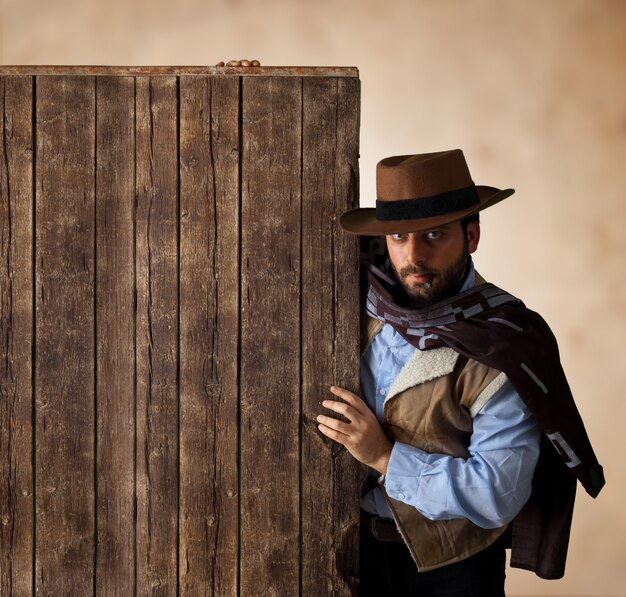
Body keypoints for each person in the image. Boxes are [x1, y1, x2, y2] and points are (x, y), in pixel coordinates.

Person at [316, 150, 605, 596]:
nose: (413, 255)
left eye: (434, 235)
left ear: (471, 236)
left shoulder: (503, 342)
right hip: (352, 555)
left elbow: (497, 493)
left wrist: (385, 458)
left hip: (455, 571)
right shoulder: (354, 303)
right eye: (398, 236)